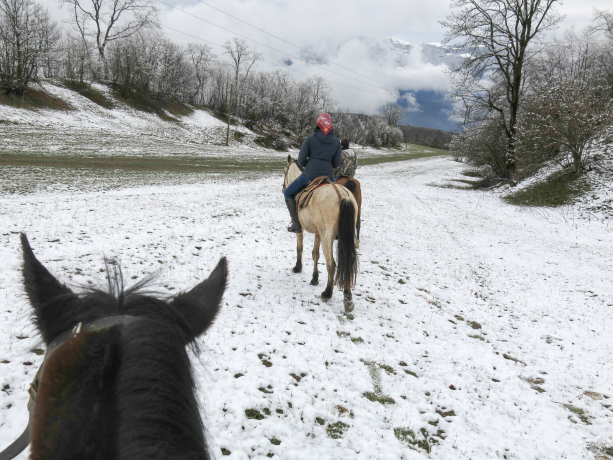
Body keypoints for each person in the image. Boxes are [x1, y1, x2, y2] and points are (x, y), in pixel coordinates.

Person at [283, 113, 342, 233]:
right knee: (339, 196)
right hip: (329, 177)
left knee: (288, 193)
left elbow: (301, 160)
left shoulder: (310, 139)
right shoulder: (336, 142)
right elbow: (337, 163)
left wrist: (310, 164)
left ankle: (297, 224)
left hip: (309, 177)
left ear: (318, 125)